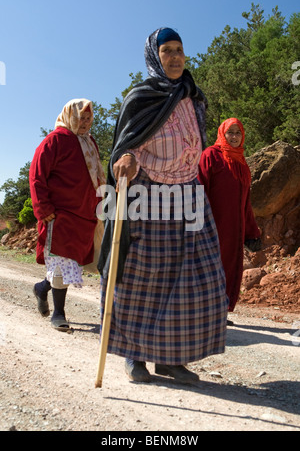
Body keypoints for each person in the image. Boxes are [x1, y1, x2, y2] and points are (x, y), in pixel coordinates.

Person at [98, 28, 228, 385]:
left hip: (189, 194)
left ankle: (171, 358)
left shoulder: (192, 96)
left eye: (179, 50)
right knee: (143, 276)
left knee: (193, 278)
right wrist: (125, 157)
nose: (175, 57)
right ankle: (133, 354)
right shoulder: (141, 97)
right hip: (151, 194)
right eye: (167, 50)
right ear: (155, 56)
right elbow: (127, 142)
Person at [29, 99, 106, 331]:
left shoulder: (89, 142)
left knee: (73, 263)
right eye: (80, 117)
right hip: (59, 215)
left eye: (88, 119)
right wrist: (43, 209)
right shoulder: (55, 140)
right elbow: (36, 175)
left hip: (86, 215)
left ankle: (42, 287)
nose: (84, 123)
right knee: (62, 263)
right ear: (69, 116)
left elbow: (97, 175)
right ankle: (59, 313)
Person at [198, 118, 261, 318]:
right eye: (230, 133)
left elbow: (246, 202)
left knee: (229, 268)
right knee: (208, 267)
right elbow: (199, 189)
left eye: (238, 133)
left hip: (235, 230)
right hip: (211, 226)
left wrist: (252, 232)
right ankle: (204, 312)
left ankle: (220, 312)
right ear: (222, 134)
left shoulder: (242, 163)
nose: (234, 137)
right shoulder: (210, 156)